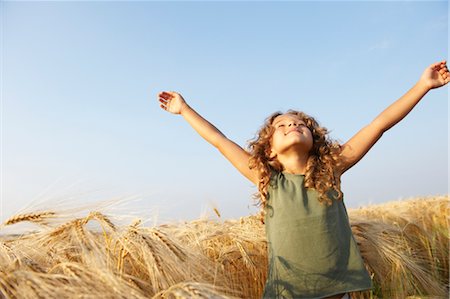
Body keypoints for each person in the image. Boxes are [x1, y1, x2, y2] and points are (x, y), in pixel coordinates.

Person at [157, 61, 449, 299]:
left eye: (300, 124)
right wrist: (184, 109)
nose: (292, 125)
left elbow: (379, 124)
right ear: (268, 148)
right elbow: (219, 140)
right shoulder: (267, 179)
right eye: (281, 125)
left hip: (337, 293)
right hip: (287, 294)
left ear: (314, 139)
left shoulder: (331, 170)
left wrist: (423, 85)